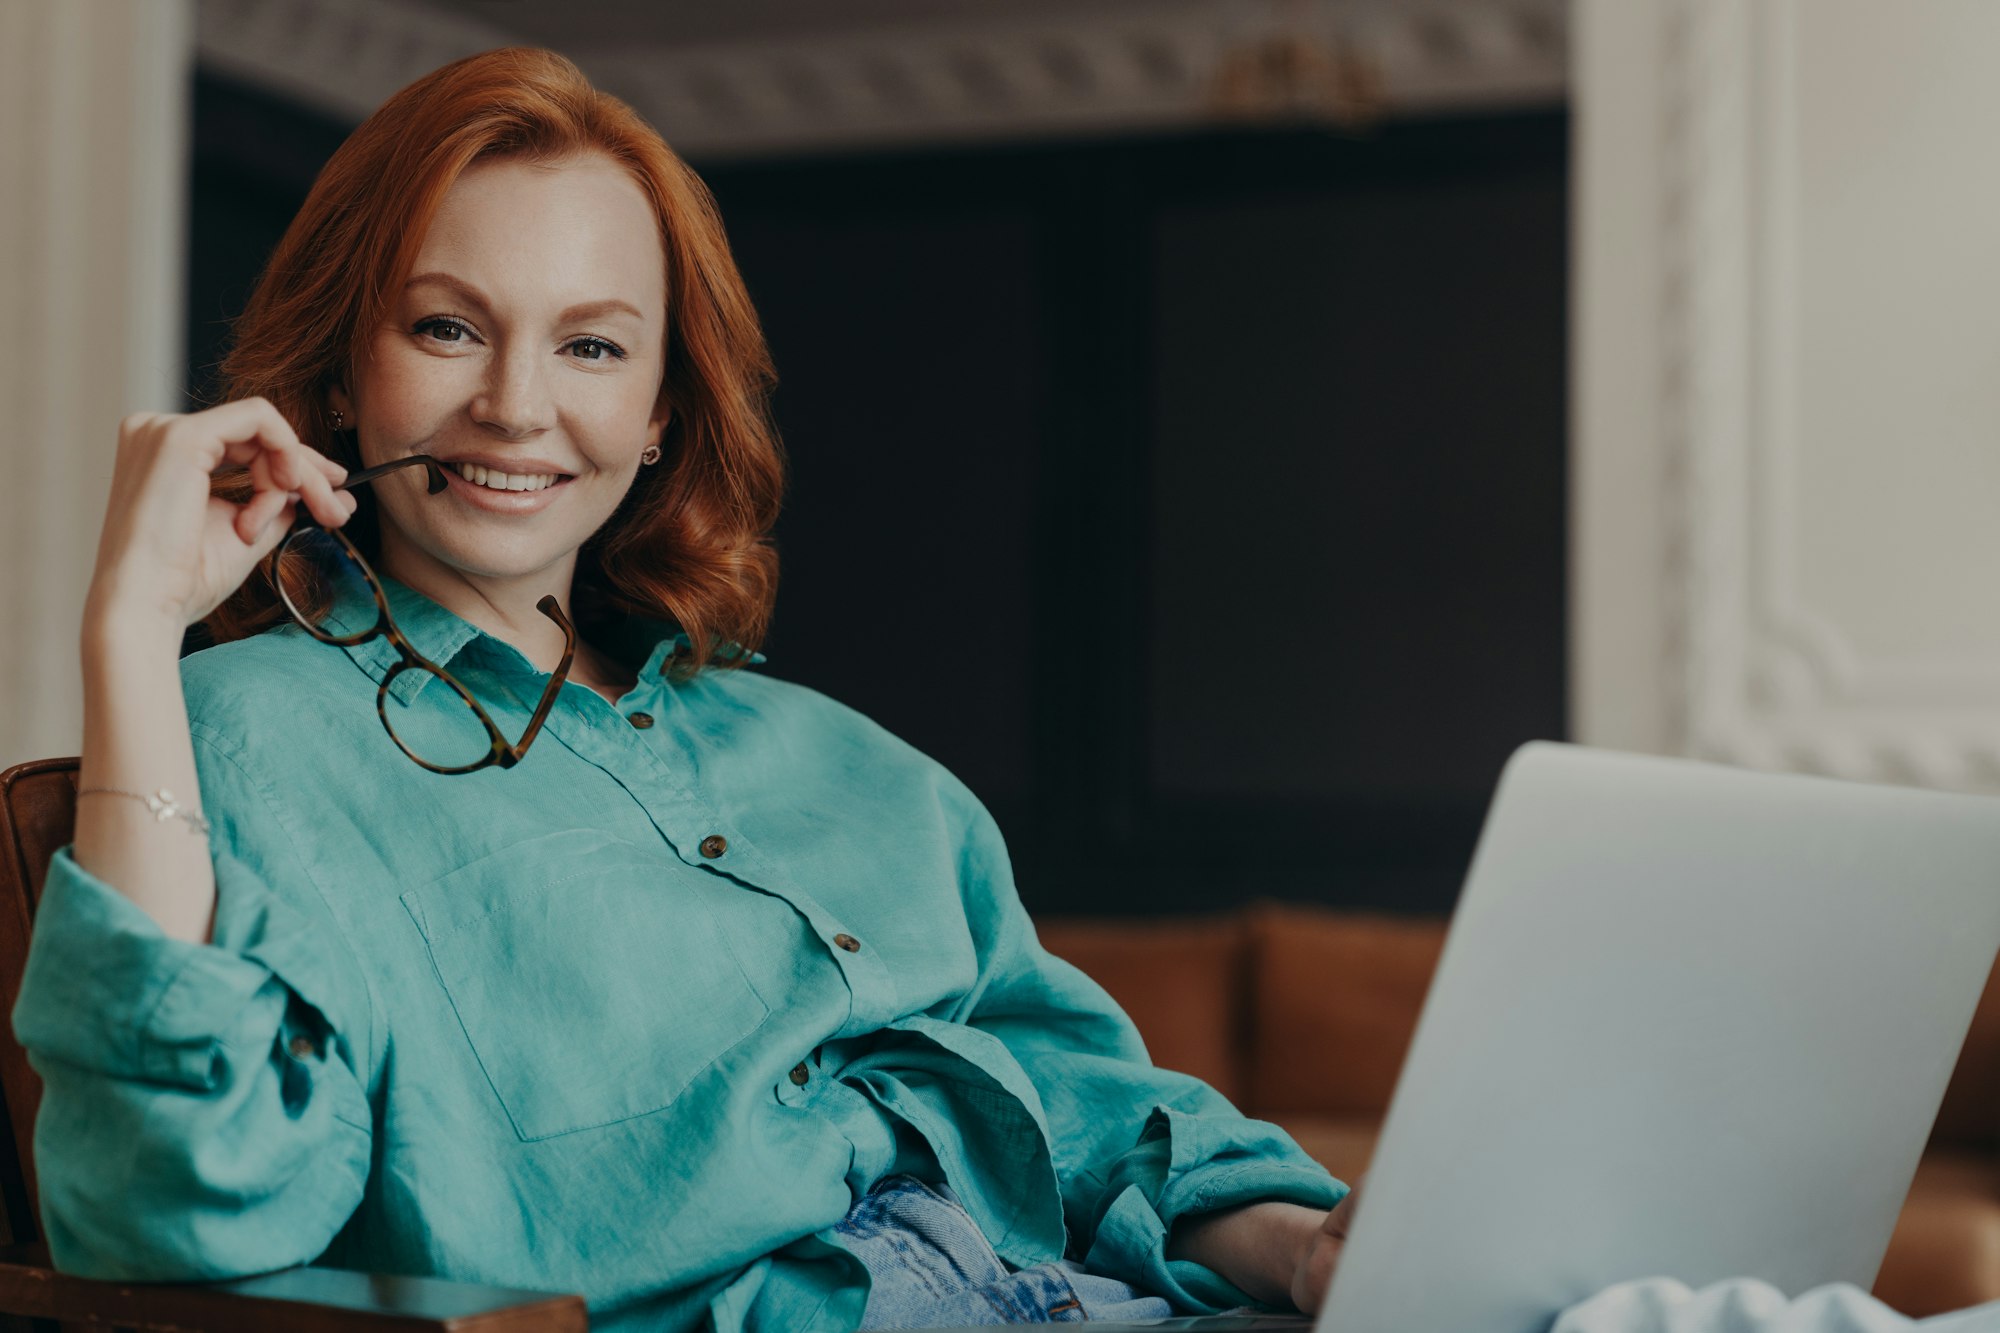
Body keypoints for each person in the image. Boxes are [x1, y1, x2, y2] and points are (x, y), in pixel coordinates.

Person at [12, 47, 1350, 1332]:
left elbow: (1090, 1107)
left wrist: (1309, 1250)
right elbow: (161, 1212)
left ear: (660, 408)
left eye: (591, 346)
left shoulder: (856, 767)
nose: (517, 406)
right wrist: (131, 628)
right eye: (444, 326)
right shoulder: (255, 730)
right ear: (346, 376)